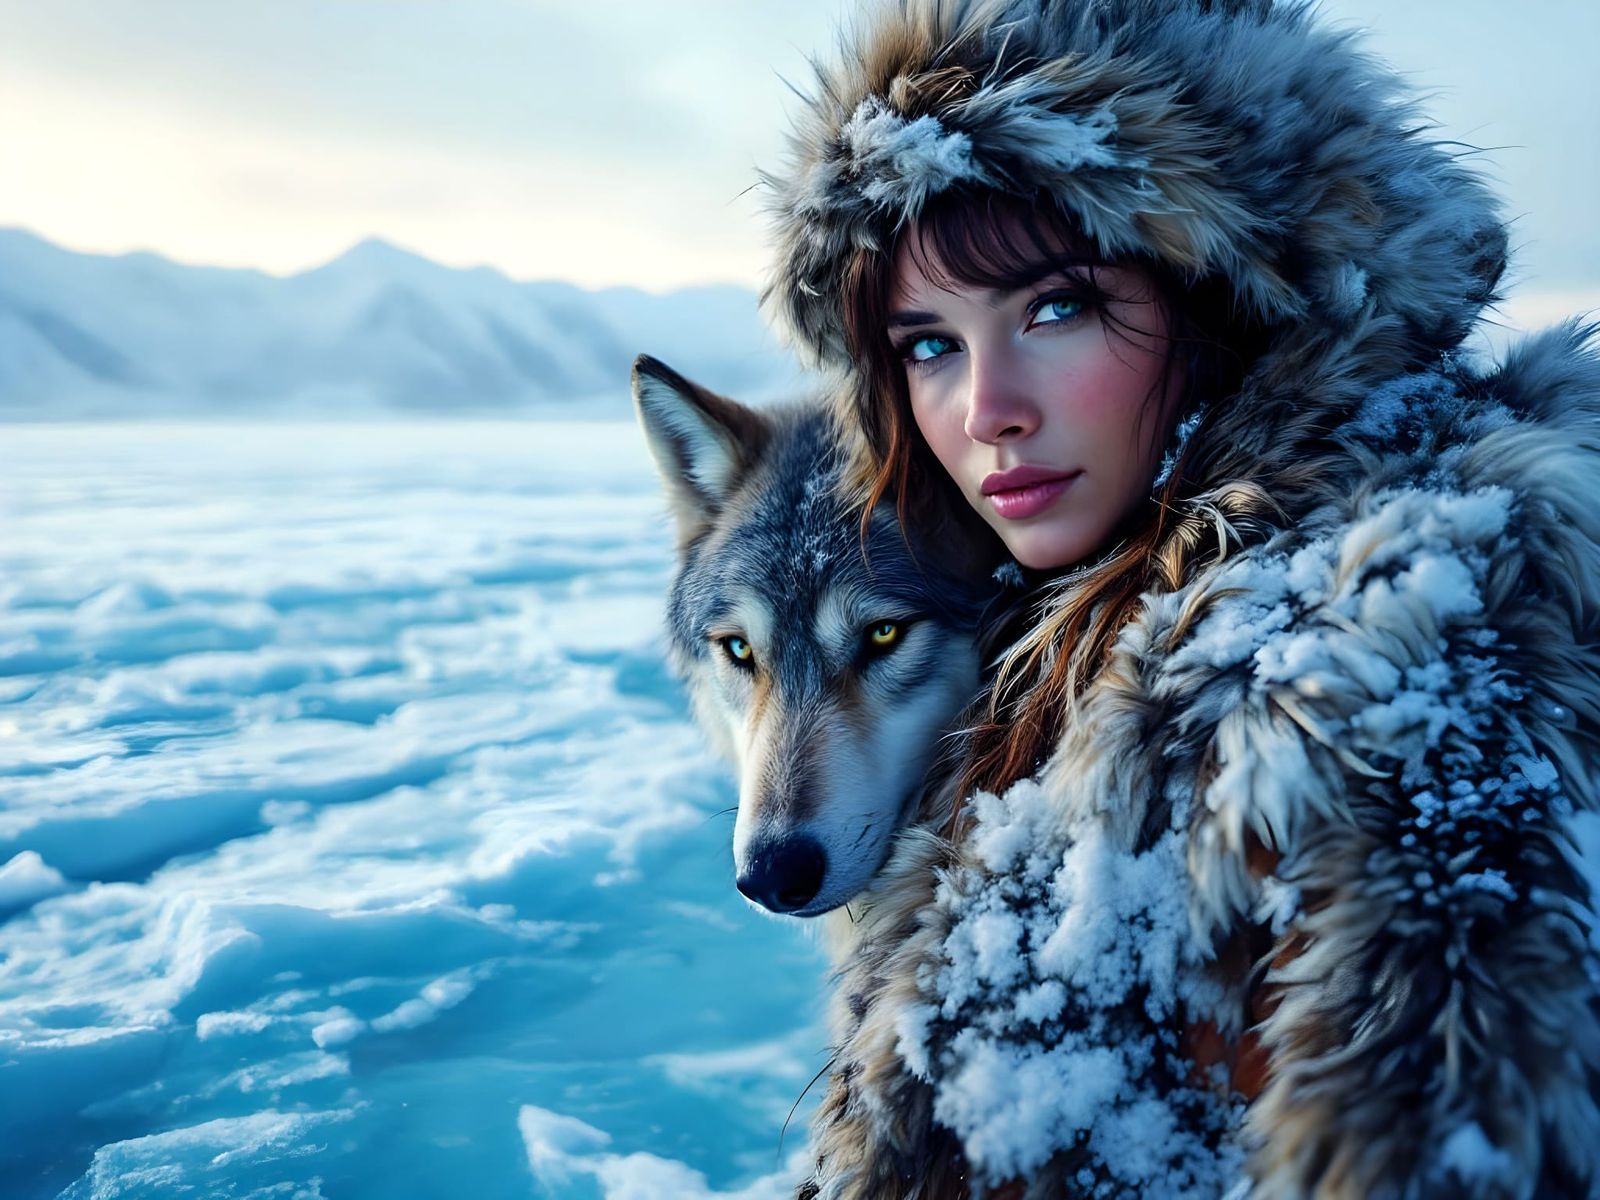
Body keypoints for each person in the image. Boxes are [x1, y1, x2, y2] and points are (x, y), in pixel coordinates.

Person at [760, 1, 1600, 1197]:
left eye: (1055, 307)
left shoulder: (1365, 677)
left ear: (1230, 305)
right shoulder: (1040, 627)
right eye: (927, 344)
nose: (984, 406)